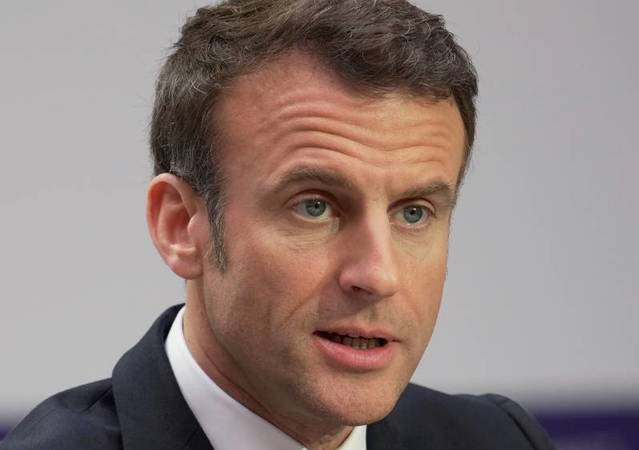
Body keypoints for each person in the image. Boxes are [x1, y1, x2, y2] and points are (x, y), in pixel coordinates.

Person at [1, 1, 554, 449]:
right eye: (315, 206)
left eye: (413, 212)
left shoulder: (498, 440)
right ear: (181, 226)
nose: (378, 275)